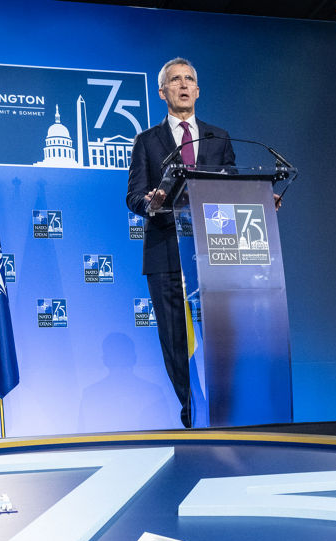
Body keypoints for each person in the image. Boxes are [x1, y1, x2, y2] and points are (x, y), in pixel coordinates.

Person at [126, 58, 235, 428]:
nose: (184, 85)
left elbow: (234, 189)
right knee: (175, 339)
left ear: (198, 90)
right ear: (163, 92)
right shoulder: (146, 141)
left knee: (223, 336)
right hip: (166, 252)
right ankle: (191, 408)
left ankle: (228, 407)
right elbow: (133, 195)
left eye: (190, 79)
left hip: (214, 253)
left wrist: (261, 200)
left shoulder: (218, 138)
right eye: (175, 80)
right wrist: (150, 201)